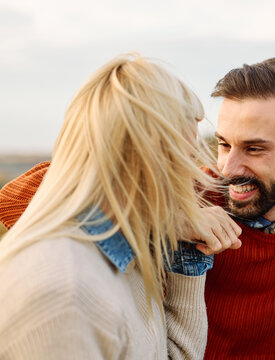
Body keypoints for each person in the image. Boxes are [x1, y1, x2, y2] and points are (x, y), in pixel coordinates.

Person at [0, 58, 275, 360]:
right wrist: (165, 214)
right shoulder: (186, 186)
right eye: (223, 144)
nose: (228, 168)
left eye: (254, 149)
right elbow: (13, 202)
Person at [0, 53, 241, 359]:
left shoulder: (122, 255)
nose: (189, 177)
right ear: (150, 157)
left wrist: (185, 256)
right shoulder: (63, 294)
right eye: (185, 158)